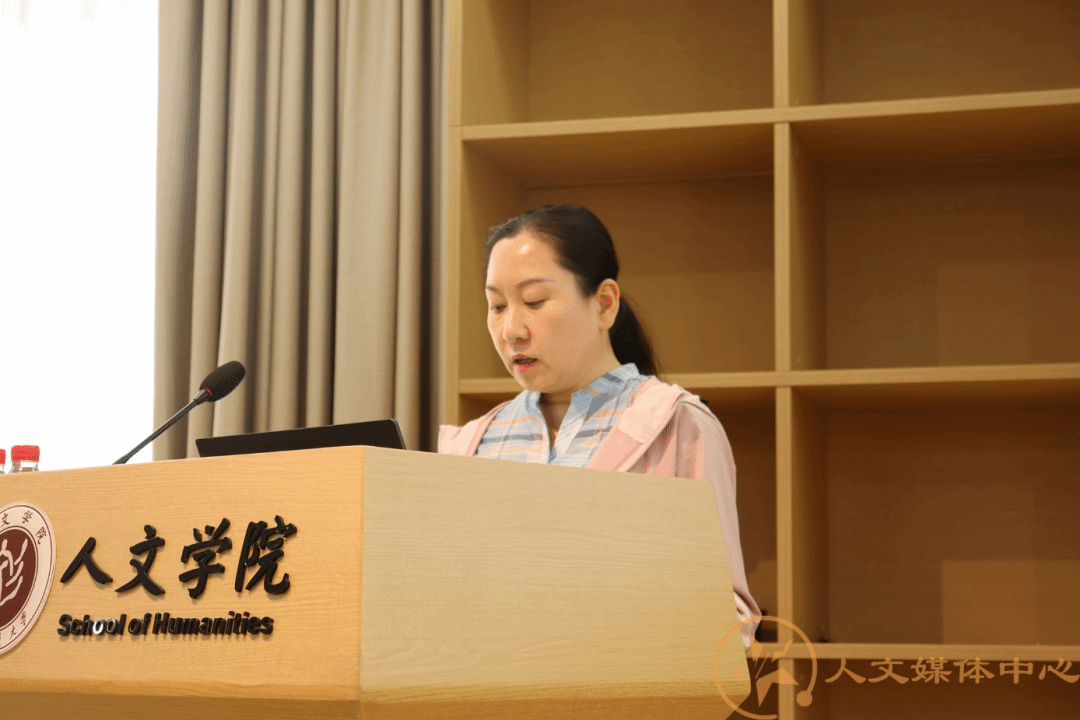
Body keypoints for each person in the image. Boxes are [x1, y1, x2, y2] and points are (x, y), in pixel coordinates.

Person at [438, 203, 761, 650]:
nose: (511, 330)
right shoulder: (468, 443)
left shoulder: (678, 425)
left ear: (604, 303)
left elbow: (728, 623)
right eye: (496, 305)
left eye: (534, 301)